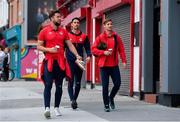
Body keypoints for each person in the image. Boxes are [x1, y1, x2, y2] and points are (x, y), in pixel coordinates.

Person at [37, 10, 82, 118]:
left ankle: (56, 108)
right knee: (48, 85)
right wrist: (49, 50)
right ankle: (47, 108)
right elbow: (38, 46)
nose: (60, 18)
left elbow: (70, 45)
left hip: (61, 62)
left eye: (60, 17)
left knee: (59, 86)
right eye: (58, 17)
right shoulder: (44, 31)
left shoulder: (64, 31)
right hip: (49, 62)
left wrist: (77, 55)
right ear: (52, 18)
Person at [91, 19, 127, 112]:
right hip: (104, 66)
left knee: (117, 83)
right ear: (104, 26)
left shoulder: (116, 37)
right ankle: (106, 104)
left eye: (111, 24)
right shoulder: (100, 37)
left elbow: (121, 49)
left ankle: (111, 98)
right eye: (108, 24)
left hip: (114, 65)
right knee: (105, 86)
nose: (110, 25)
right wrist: (103, 52)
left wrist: (124, 61)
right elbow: (93, 49)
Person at [65, 17, 91, 109]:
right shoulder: (67, 35)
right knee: (71, 81)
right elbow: (66, 50)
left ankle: (74, 99)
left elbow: (87, 47)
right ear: (71, 24)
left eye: (77, 22)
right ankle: (72, 100)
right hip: (70, 61)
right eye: (74, 22)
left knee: (78, 82)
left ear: (79, 24)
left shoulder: (84, 36)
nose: (76, 24)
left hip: (80, 61)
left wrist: (88, 56)